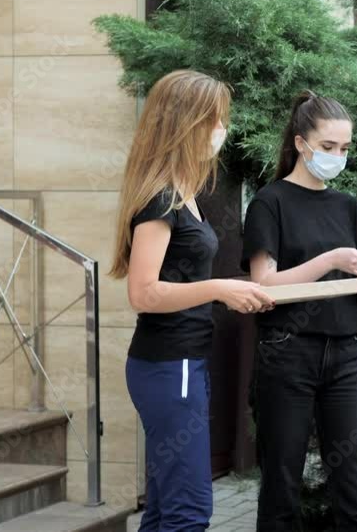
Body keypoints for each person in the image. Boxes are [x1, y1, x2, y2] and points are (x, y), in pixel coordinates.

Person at [110, 69, 275, 531]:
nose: (221, 130)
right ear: (185, 124)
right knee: (189, 511)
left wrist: (228, 293)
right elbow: (142, 292)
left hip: (181, 364)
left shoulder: (185, 195)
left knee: (166, 509)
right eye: (215, 120)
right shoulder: (161, 200)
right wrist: (221, 289)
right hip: (169, 364)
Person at [241, 90, 357, 532]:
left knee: (356, 495)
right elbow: (263, 287)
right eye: (328, 147)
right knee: (281, 489)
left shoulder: (348, 207)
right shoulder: (270, 202)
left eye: (344, 149)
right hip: (286, 353)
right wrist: (330, 259)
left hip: (348, 356)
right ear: (300, 143)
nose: (337, 156)